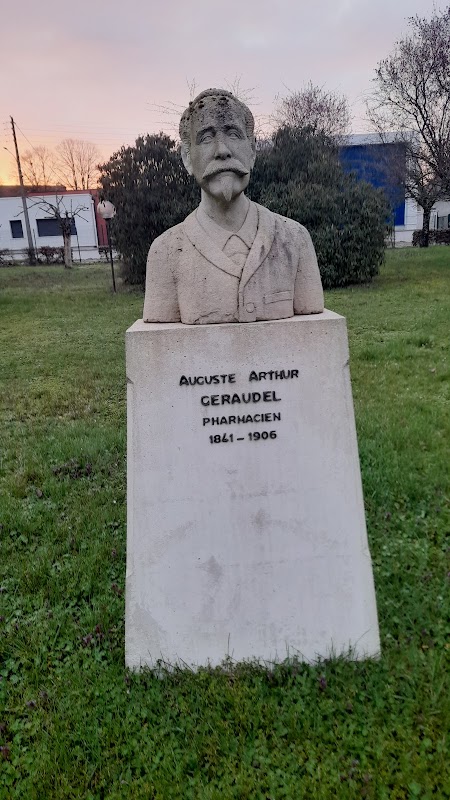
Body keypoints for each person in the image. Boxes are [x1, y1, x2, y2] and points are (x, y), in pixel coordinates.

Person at [143, 88, 324, 325]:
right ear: (187, 158)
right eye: (206, 138)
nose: (223, 151)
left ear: (253, 150)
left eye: (234, 134)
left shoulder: (295, 239)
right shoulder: (164, 253)